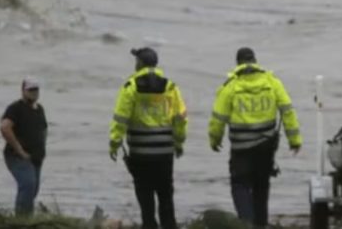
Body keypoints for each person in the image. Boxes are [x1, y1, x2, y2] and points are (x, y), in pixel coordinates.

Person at [208, 47, 302, 229]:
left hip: (241, 148)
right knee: (261, 187)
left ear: (238, 63)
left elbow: (218, 118)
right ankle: (260, 224)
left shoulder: (230, 87)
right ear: (255, 61)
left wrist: (215, 140)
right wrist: (294, 139)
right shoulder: (272, 82)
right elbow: (287, 110)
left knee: (240, 185)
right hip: (266, 146)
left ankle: (247, 223)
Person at [110, 47, 188, 229]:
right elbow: (180, 118)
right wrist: (179, 142)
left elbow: (121, 117)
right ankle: (169, 226)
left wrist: (114, 143)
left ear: (140, 64)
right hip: (164, 151)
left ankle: (149, 225)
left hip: (140, 152)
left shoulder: (131, 86)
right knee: (165, 193)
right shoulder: (170, 86)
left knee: (145, 194)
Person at [1, 77, 48, 217]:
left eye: (36, 89)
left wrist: (42, 148)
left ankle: (27, 218)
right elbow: (5, 127)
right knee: (28, 184)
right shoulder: (15, 108)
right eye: (30, 90)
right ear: (23, 91)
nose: (34, 92)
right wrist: (19, 150)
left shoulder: (39, 109)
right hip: (17, 156)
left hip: (36, 157)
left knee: (33, 189)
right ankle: (21, 221)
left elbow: (44, 129)